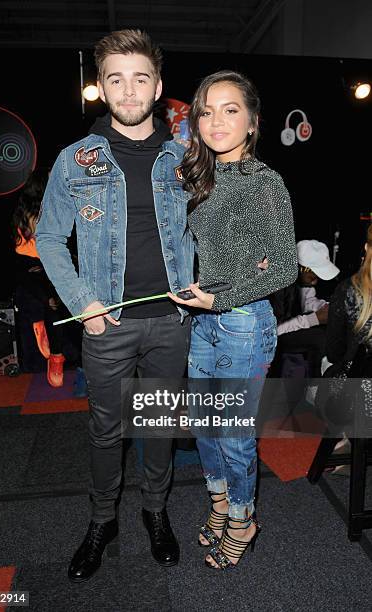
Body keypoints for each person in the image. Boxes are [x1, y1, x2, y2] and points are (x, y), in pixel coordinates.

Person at [35, 30, 195, 581]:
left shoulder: (185, 158)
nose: (129, 91)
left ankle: (155, 513)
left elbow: (207, 231)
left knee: (158, 428)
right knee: (106, 431)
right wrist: (83, 303)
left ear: (158, 86)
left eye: (140, 78)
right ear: (101, 88)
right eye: (116, 79)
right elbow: (50, 239)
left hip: (172, 324)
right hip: (107, 326)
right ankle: (103, 520)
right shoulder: (73, 160)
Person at [168, 70, 297, 570]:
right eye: (206, 110)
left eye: (230, 109)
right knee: (203, 427)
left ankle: (244, 520)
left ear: (252, 122)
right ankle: (219, 508)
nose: (216, 120)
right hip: (203, 320)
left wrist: (220, 299)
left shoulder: (265, 182)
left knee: (233, 434)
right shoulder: (201, 177)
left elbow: (283, 266)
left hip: (243, 324)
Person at [322, 224, 372, 471]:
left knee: (328, 372)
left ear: (366, 248)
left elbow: (334, 352)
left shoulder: (348, 290)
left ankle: (344, 438)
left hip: (359, 397)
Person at [12, 169, 68, 386]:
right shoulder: (34, 213)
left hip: (41, 265)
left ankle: (55, 353)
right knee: (46, 296)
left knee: (49, 293)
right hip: (31, 266)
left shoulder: (29, 210)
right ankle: (54, 352)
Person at [270, 239, 340, 379]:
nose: (316, 279)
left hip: (288, 328)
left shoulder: (302, 280)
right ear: (301, 267)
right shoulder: (279, 287)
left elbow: (308, 302)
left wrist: (326, 307)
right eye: (314, 273)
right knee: (320, 338)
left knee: (330, 332)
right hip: (271, 338)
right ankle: (314, 386)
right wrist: (313, 319)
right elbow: (273, 330)